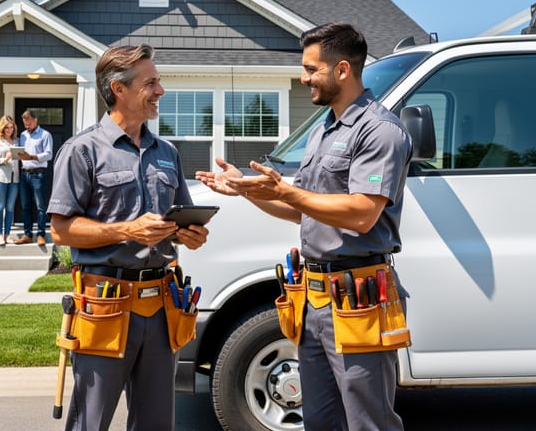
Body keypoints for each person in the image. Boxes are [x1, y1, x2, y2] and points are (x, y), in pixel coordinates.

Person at [196, 22, 412, 430]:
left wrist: (286, 191)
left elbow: (362, 212)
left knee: (368, 421)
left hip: (357, 299)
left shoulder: (380, 131)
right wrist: (245, 189)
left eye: (312, 69)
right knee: (319, 420)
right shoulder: (323, 130)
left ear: (342, 70)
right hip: (313, 300)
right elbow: (306, 209)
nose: (304, 77)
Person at [48, 44, 210, 431]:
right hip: (105, 307)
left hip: (162, 308)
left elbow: (179, 218)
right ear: (118, 89)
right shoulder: (82, 151)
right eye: (150, 83)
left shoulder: (166, 152)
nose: (160, 91)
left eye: (158, 82)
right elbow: (60, 229)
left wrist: (190, 234)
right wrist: (127, 230)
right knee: (90, 422)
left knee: (157, 424)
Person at [15, 109, 53, 246]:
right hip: (24, 174)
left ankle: (41, 235)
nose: (27, 126)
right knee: (25, 206)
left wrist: (31, 157)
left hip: (38, 174)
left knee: (40, 206)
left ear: (35, 120)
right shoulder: (23, 135)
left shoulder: (45, 135)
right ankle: (27, 235)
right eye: (25, 124)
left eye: (29, 123)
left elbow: (49, 154)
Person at [0, 115, 19, 246]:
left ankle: (7, 235)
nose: (9, 130)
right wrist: (4, 160)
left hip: (14, 178)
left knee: (10, 207)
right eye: (7, 127)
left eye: (11, 127)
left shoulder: (17, 141)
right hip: (0, 177)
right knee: (0, 207)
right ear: (2, 128)